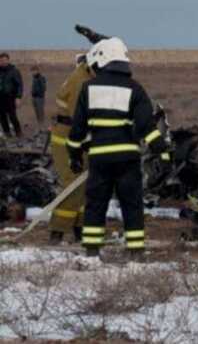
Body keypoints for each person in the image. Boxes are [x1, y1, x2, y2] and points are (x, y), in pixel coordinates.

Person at [67, 37, 170, 257]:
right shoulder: (135, 88)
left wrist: (74, 155)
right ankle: (135, 251)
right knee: (131, 205)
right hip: (127, 159)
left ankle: (92, 252)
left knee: (95, 204)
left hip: (99, 159)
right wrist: (162, 152)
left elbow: (77, 130)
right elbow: (146, 127)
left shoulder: (88, 88)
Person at [47, 26, 107, 244]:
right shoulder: (82, 82)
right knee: (75, 186)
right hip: (68, 140)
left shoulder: (87, 74)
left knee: (86, 185)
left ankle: (81, 230)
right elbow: (80, 119)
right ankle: (57, 232)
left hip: (77, 138)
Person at [0, 53, 23, 138]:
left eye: (5, 60)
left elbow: (19, 85)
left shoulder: (14, 71)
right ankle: (7, 133)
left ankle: (18, 132)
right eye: (1, 60)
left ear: (8, 60)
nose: (3, 62)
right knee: (2, 117)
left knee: (12, 116)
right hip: (0, 97)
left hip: (10, 97)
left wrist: (18, 97)